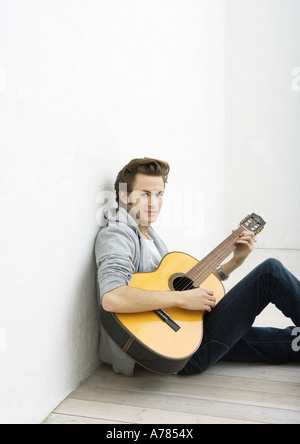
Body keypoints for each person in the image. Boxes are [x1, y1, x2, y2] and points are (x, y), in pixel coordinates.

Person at [95, 157, 300, 376]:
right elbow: (112, 297)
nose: (154, 203)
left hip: (186, 336)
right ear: (125, 195)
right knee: (270, 272)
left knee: (289, 341)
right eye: (144, 194)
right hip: (167, 350)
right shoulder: (118, 233)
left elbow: (182, 288)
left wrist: (234, 262)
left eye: (159, 194)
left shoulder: (151, 237)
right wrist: (181, 299)